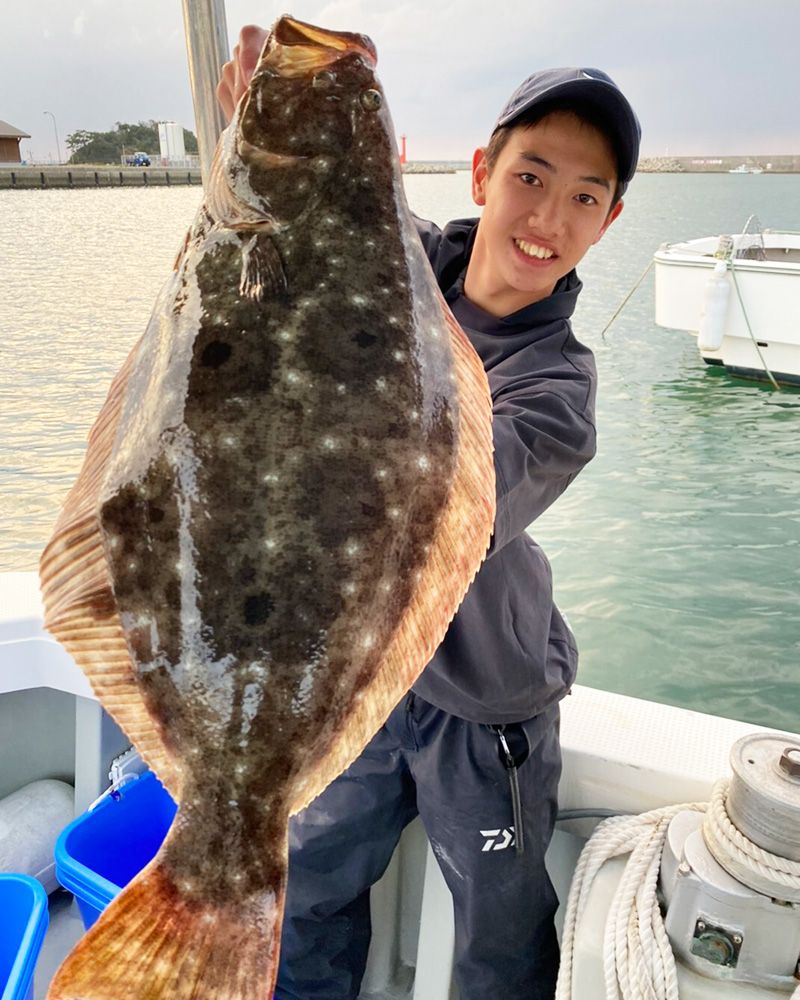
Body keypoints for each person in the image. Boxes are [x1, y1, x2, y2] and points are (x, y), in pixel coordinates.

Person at [218, 31, 641, 1000]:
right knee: (309, 891)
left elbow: (447, 510)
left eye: (584, 195)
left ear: (606, 220)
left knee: (496, 934)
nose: (548, 215)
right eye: (531, 175)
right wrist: (267, 129)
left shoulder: (557, 387)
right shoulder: (397, 255)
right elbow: (310, 210)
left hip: (483, 704)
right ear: (483, 172)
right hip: (359, 684)